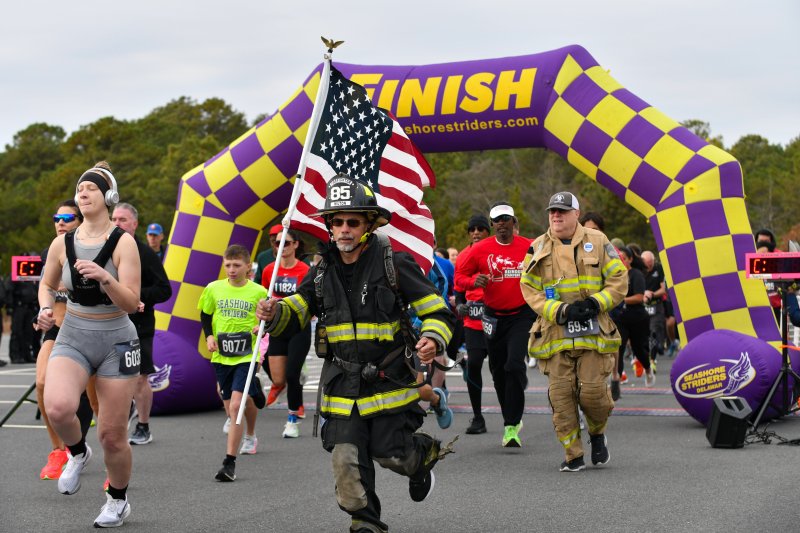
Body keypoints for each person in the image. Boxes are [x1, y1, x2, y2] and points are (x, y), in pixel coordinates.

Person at [255, 175, 455, 533]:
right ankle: (365, 523)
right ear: (329, 227)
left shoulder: (395, 262)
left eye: (353, 221)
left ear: (368, 225)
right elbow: (299, 308)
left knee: (390, 453)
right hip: (342, 384)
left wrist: (432, 338)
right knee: (346, 462)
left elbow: (438, 311)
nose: (344, 229)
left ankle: (421, 456)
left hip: (389, 380)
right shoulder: (322, 269)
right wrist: (275, 313)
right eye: (337, 222)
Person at [36, 161, 142, 527]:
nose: (82, 194)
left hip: (117, 338)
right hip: (74, 334)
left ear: (108, 197)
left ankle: (118, 499)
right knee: (58, 406)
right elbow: (47, 284)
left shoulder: (123, 242)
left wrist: (104, 278)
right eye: (79, 189)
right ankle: (77, 453)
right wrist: (46, 308)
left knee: (113, 435)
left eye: (91, 188)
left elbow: (132, 302)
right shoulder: (62, 242)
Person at [521, 191, 627, 472]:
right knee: (561, 398)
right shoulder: (538, 246)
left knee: (593, 394)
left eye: (563, 211)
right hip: (555, 335)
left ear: (576, 214)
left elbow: (618, 279)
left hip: (593, 334)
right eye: (552, 211)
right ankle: (573, 454)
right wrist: (560, 311)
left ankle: (597, 432)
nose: (556, 215)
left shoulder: (599, 241)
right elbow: (528, 288)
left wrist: (596, 302)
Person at [455, 202, 535, 447]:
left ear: (514, 222)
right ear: (493, 225)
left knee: (513, 365)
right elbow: (459, 278)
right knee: (498, 371)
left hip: (521, 314)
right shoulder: (480, 249)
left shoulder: (529, 246)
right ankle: (509, 418)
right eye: (497, 220)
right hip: (492, 315)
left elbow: (547, 270)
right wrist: (473, 282)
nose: (501, 223)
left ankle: (512, 424)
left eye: (505, 218)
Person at [35, 200, 98, 480]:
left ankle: (99, 453)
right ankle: (59, 451)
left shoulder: (93, 246)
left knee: (96, 400)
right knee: (42, 382)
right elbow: (45, 288)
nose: (60, 222)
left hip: (91, 328)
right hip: (58, 329)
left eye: (67, 218)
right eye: (56, 217)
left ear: (79, 221)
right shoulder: (52, 249)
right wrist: (43, 311)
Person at [198, 244, 268, 482]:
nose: (231, 269)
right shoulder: (213, 288)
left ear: (248, 267)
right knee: (228, 405)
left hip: (247, 355)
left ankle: (229, 463)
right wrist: (208, 335)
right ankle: (255, 388)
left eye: (236, 265)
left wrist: (262, 326)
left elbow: (269, 317)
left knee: (236, 407)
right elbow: (206, 314)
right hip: (222, 355)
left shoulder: (259, 292)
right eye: (227, 265)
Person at [112, 203, 172, 446]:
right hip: (108, 325)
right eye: (114, 218)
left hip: (138, 326)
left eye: (123, 220)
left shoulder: (144, 253)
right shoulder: (103, 251)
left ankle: (144, 426)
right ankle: (116, 421)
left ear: (134, 224)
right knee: (112, 379)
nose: (117, 223)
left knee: (139, 378)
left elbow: (164, 290)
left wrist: (137, 296)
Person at [260, 228, 311, 438]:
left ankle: (292, 420)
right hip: (277, 327)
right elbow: (264, 296)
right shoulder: (269, 270)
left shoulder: (305, 270)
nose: (281, 247)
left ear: (296, 245)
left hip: (299, 326)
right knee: (279, 378)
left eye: (286, 243)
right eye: (277, 243)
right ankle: (282, 387)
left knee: (292, 373)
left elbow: (310, 299)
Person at [454, 214, 491, 434]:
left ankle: (510, 416)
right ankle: (478, 417)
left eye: (480, 229)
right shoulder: (464, 256)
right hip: (473, 320)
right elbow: (458, 291)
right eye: (472, 229)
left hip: (497, 318)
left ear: (488, 231)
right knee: (475, 364)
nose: (475, 232)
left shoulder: (496, 252)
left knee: (503, 369)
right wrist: (460, 305)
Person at [614, 247, 655, 388]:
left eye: (624, 258)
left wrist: (620, 300)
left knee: (639, 349)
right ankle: (616, 380)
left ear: (630, 259)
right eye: (619, 258)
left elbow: (639, 297)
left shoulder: (636, 274)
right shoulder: (615, 275)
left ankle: (648, 370)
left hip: (637, 317)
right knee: (618, 348)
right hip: (621, 318)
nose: (622, 261)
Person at [6, 266, 40, 363]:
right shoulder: (15, 274)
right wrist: (10, 306)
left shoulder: (31, 276)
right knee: (17, 332)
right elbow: (9, 290)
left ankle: (26, 355)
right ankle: (15, 355)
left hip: (29, 308)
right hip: (19, 307)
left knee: (28, 333)